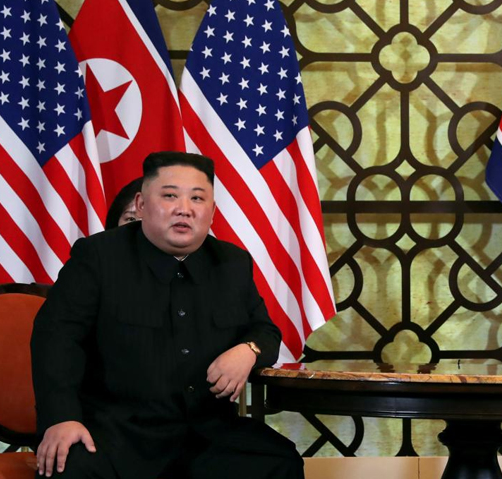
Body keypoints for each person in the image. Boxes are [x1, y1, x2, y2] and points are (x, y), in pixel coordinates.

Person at [31, 152, 303, 479]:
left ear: (212, 212)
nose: (184, 208)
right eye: (170, 195)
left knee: (278, 460)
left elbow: (265, 330)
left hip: (206, 433)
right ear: (142, 205)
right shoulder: (99, 257)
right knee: (71, 465)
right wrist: (62, 417)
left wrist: (249, 351)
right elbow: (56, 338)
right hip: (118, 432)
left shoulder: (232, 264)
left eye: (197, 198)